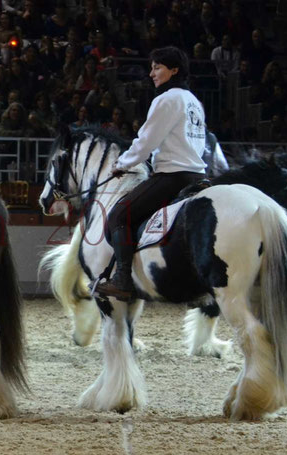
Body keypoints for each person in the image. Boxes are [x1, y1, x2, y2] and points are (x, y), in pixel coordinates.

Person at [94, 46, 207, 301]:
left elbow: (146, 142)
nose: (151, 73)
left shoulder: (167, 99)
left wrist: (122, 163)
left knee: (118, 217)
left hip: (173, 176)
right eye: (152, 67)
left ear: (174, 70)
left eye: (157, 67)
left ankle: (122, 280)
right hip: (198, 176)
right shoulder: (194, 102)